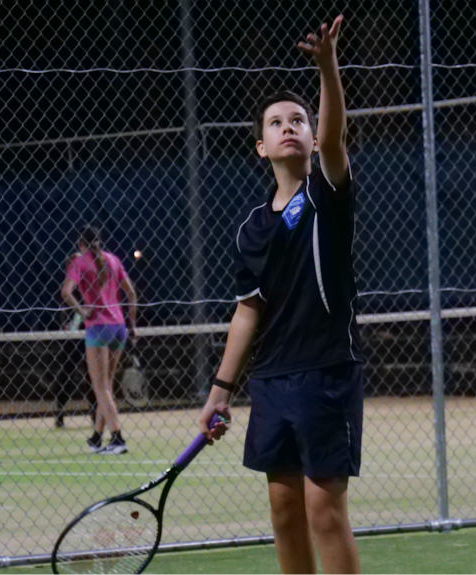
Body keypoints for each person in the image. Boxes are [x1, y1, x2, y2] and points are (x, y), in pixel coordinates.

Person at [199, 15, 364, 575]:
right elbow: (248, 309)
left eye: (299, 120)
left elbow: (337, 137)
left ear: (311, 138)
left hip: (326, 373)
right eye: (276, 122)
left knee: (324, 508)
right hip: (272, 380)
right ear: (260, 146)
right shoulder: (250, 228)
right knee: (285, 509)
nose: (289, 126)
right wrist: (221, 389)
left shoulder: (327, 194)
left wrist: (327, 69)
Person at [61, 226, 137, 455]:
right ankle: (96, 437)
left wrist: (82, 312)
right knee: (107, 386)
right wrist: (132, 325)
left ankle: (117, 438)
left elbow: (66, 292)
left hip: (98, 328)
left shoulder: (80, 262)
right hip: (119, 327)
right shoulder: (113, 259)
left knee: (100, 387)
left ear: (80, 243)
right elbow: (131, 294)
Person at [53, 251, 96, 429]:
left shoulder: (90, 284)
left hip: (89, 335)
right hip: (72, 340)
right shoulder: (69, 287)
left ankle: (96, 415)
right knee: (66, 376)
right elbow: (64, 311)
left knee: (93, 376)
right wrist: (67, 326)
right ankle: (60, 413)